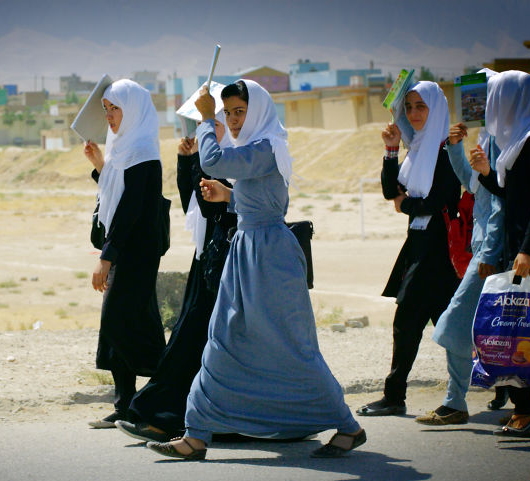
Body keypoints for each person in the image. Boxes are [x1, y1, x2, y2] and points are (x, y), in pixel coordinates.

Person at [147, 80, 365, 460]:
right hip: (247, 251)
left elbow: (213, 161)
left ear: (258, 112)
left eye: (238, 112)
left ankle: (347, 425)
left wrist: (205, 118)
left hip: (271, 256)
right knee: (223, 338)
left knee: (291, 345)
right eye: (227, 112)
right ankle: (196, 432)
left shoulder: (266, 146)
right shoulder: (255, 149)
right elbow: (261, 199)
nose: (230, 120)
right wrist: (230, 196)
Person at [116, 103, 236, 443]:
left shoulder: (238, 157)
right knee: (190, 339)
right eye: (202, 123)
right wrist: (188, 163)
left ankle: (162, 417)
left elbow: (223, 209)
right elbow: (196, 206)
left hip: (229, 264)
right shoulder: (219, 157)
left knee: (190, 341)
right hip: (208, 261)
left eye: (212, 122)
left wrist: (202, 161)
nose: (205, 129)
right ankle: (174, 416)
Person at [470, 70, 530, 438]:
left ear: (511, 99)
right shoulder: (520, 143)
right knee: (518, 333)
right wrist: (485, 174)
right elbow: (517, 199)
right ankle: (528, 409)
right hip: (522, 252)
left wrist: (527, 251)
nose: (491, 105)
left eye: (496, 96)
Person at [357, 81, 461, 417]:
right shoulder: (417, 149)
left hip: (439, 250)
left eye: (421, 107)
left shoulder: (446, 152)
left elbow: (435, 201)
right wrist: (390, 151)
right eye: (410, 107)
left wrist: (406, 206)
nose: (414, 114)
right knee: (441, 324)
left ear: (436, 109)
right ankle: (505, 390)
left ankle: (396, 396)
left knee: (417, 322)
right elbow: (392, 191)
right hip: (418, 245)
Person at [416, 69, 509, 425]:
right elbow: (473, 187)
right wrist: (456, 147)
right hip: (485, 247)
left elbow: (502, 202)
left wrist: (487, 254)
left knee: (456, 323)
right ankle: (462, 399)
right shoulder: (489, 137)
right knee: (481, 326)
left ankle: (458, 401)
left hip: (491, 252)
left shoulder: (504, 141)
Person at [82, 79, 166, 429]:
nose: (109, 116)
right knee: (131, 323)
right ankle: (127, 406)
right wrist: (102, 165)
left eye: (115, 108)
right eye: (106, 109)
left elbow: (130, 209)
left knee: (120, 321)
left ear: (132, 109)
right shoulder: (123, 148)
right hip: (125, 250)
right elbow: (116, 193)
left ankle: (159, 398)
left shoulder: (143, 151)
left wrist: (107, 255)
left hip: (137, 252)